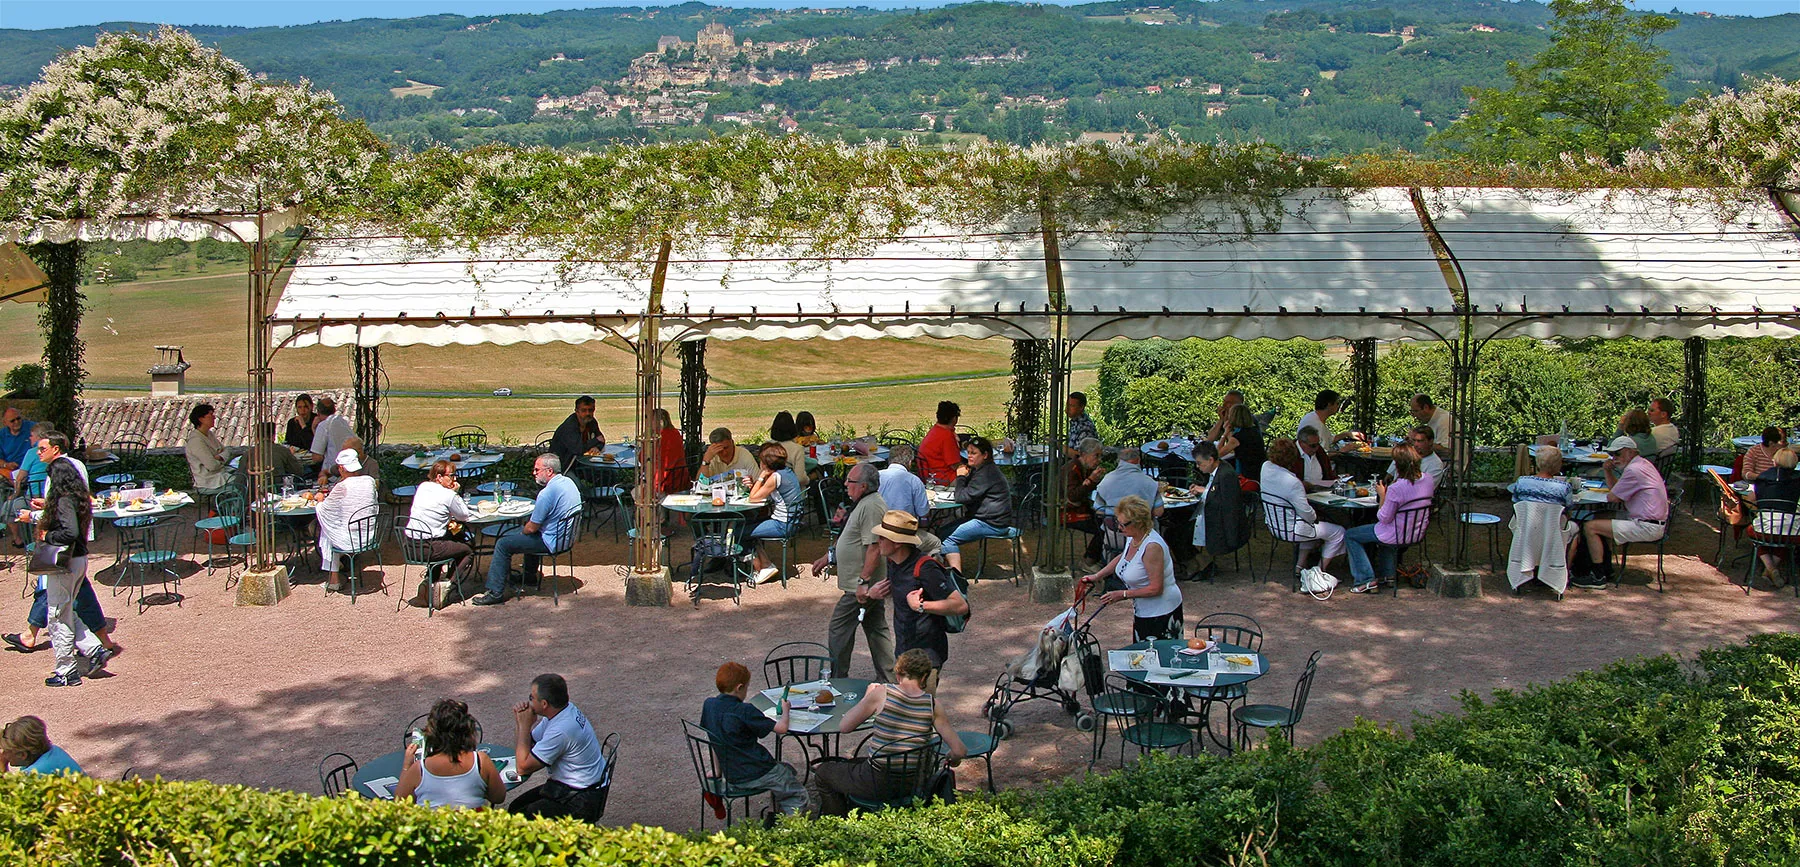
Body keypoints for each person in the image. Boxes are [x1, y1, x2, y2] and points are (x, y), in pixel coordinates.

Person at [811, 648, 965, 817]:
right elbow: (959, 751)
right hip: (913, 782)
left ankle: (839, 821)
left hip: (877, 781)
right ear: (924, 677)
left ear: (898, 674)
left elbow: (845, 726)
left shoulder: (883, 693)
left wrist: (867, 697)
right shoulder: (933, 705)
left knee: (823, 773)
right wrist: (952, 759)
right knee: (853, 764)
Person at [813, 462, 899, 681]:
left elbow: (874, 547)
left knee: (838, 629)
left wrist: (863, 582)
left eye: (850, 481)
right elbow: (850, 540)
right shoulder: (864, 503)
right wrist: (828, 557)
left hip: (860, 586)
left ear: (862, 486)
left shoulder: (871, 506)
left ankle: (837, 679)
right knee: (876, 628)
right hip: (864, 584)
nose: (845, 484)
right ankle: (890, 678)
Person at [701, 662, 810, 818]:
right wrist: (786, 710)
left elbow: (713, 739)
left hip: (731, 773)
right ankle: (791, 829)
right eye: (746, 687)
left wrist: (718, 770)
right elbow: (781, 729)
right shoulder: (745, 710)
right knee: (797, 795)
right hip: (756, 770)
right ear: (739, 688)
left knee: (788, 770)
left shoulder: (709, 705)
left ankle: (775, 812)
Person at [473, 454, 582, 606]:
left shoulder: (547, 493)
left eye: (537, 469)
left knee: (504, 544)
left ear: (549, 471)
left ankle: (495, 591)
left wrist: (520, 533)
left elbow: (531, 528)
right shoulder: (568, 482)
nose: (534, 473)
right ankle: (529, 576)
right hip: (566, 538)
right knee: (528, 534)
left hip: (551, 541)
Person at [872, 510, 968, 678]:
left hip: (927, 657)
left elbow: (960, 605)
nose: (877, 541)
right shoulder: (893, 562)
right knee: (905, 703)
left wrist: (921, 606)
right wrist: (873, 593)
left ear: (897, 543)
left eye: (882, 537)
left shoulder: (925, 568)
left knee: (920, 704)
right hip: (904, 651)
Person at [34, 451, 100, 687]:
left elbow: (69, 532)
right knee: (65, 611)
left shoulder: (63, 500)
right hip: (79, 559)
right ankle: (93, 649)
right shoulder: (78, 497)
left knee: (57, 616)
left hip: (65, 562)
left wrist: (48, 534)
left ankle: (66, 670)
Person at [1078, 494, 1183, 640]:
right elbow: (1124, 557)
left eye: (1123, 524)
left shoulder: (1152, 547)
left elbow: (1156, 588)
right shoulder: (1134, 537)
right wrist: (1097, 576)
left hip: (1161, 612)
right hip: (1143, 610)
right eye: (1118, 522)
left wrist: (1123, 594)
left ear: (1139, 523)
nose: (1119, 528)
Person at [1573, 436, 1668, 589]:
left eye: (1618, 454)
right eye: (1612, 455)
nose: (1614, 458)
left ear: (1630, 452)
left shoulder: (1633, 470)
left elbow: (1613, 497)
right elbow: (1616, 491)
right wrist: (1607, 470)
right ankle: (1605, 566)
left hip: (1647, 526)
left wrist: (1608, 472)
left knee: (1590, 526)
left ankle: (1598, 576)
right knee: (1601, 516)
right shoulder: (1642, 464)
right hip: (1649, 520)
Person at [510, 673, 607, 819]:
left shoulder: (561, 730)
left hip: (581, 798)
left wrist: (524, 725)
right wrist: (521, 722)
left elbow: (523, 767)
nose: (528, 701)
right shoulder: (562, 712)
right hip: (576, 785)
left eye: (531, 698)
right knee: (514, 808)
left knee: (518, 818)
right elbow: (530, 743)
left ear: (544, 704)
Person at [1343, 446, 1436, 593]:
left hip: (1395, 533)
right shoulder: (1428, 480)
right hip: (1415, 531)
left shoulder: (1396, 487)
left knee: (1351, 535)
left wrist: (1383, 495)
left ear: (1398, 466)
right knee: (1385, 531)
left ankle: (1365, 579)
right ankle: (1389, 574)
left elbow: (1383, 517)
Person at [394, 698, 507, 810]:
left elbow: (399, 804)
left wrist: (406, 766)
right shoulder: (481, 761)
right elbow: (498, 797)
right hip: (474, 826)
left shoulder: (419, 769)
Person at [1261, 438, 1346, 575]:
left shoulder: (1265, 468)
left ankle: (1300, 566)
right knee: (1339, 532)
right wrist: (1316, 515)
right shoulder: (1293, 482)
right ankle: (1319, 571)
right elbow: (1307, 514)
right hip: (1293, 529)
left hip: (1273, 524)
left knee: (1311, 526)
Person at [404, 459, 477, 600]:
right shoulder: (448, 495)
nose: (454, 479)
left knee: (448, 539)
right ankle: (446, 585)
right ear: (439, 477)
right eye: (451, 476)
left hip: (410, 545)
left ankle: (429, 581)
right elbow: (464, 515)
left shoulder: (423, 487)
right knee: (467, 550)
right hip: (429, 548)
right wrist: (455, 493)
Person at [940, 435, 1014, 574]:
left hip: (993, 523)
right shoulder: (981, 469)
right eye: (968, 452)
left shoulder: (986, 474)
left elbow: (961, 497)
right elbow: (966, 493)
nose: (969, 456)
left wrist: (961, 477)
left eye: (973, 453)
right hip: (984, 517)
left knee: (947, 538)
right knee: (941, 532)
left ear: (985, 455)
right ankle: (943, 569)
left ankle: (957, 577)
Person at [314, 447, 380, 594]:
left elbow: (326, 510)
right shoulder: (369, 481)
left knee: (327, 531)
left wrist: (319, 500)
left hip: (351, 539)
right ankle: (340, 567)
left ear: (342, 468)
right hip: (368, 534)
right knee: (335, 526)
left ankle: (334, 579)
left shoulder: (342, 486)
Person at [1183, 440, 1246, 582]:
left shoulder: (1226, 474)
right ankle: (1201, 564)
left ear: (1211, 460)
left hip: (1220, 523)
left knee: (1178, 534)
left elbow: (1227, 504)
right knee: (1176, 530)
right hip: (1210, 515)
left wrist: (1204, 492)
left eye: (1199, 463)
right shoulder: (1218, 470)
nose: (1198, 467)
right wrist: (1203, 490)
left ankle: (1203, 565)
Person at [745, 442, 805, 585]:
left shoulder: (775, 477)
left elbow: (753, 498)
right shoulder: (787, 472)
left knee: (739, 532)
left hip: (782, 524)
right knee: (748, 525)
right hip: (791, 521)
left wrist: (761, 477)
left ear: (765, 464)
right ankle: (765, 563)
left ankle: (761, 567)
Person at [1744, 447, 1800, 587]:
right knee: (1785, 537)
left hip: (1765, 526)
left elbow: (1751, 500)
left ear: (1775, 461)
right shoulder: (1798, 480)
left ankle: (1770, 568)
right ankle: (1770, 569)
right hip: (1791, 529)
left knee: (1755, 533)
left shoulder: (1762, 477)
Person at [1064, 437, 1108, 566]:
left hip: (1082, 508)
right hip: (1066, 511)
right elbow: (1072, 497)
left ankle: (1099, 558)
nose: (1098, 460)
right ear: (1084, 454)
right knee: (1104, 527)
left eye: (1100, 456)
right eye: (1096, 456)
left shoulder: (1085, 467)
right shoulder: (1072, 469)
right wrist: (1091, 480)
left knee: (1109, 521)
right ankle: (1089, 561)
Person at [7, 423, 51, 547]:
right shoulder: (53, 453)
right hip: (48, 493)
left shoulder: (33, 452)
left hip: (34, 496)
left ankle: (21, 540)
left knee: (8, 508)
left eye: (31, 436)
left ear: (38, 437)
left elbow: (20, 477)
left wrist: (15, 494)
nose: (29, 439)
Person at [1094, 447, 1164, 517]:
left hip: (1113, 526)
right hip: (1141, 526)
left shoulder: (1106, 480)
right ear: (1138, 461)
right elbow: (1158, 512)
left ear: (1119, 461)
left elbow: (1099, 511)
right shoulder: (1150, 483)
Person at [0, 716, 82, 775]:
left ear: (23, 755)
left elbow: (10, 796)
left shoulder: (34, 774)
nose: (3, 754)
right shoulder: (54, 750)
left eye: (5, 750)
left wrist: (2, 768)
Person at [1216, 402, 1266, 489]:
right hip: (1258, 475)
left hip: (1246, 479)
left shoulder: (1239, 436)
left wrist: (1225, 433)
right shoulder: (1254, 431)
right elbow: (1232, 445)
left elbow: (1217, 454)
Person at [549, 396, 606, 472]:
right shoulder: (569, 426)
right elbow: (578, 449)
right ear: (577, 411)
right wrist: (595, 441)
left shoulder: (591, 422)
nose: (588, 413)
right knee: (577, 483)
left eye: (591, 410)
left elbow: (601, 439)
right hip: (563, 465)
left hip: (582, 462)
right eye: (584, 410)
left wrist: (597, 447)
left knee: (609, 474)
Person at [184, 403, 231, 492]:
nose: (214, 418)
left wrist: (219, 457)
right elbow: (212, 466)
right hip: (209, 482)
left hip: (221, 474)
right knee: (242, 485)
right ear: (201, 419)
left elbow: (227, 451)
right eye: (210, 415)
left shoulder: (209, 434)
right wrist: (221, 459)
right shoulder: (196, 441)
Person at [309, 395, 355, 486]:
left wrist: (313, 429)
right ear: (334, 410)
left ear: (318, 412)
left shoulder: (324, 425)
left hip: (332, 475)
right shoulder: (343, 422)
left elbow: (317, 457)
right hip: (350, 471)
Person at [876, 444, 929, 520]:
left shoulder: (876, 475)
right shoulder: (914, 480)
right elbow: (923, 513)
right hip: (903, 527)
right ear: (910, 462)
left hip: (877, 524)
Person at [917, 401, 962, 485]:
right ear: (954, 419)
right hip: (943, 478)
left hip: (928, 475)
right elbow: (955, 465)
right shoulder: (946, 436)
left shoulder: (936, 430)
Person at [652, 407, 690, 495]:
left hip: (666, 481)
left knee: (636, 492)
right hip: (681, 478)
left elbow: (643, 458)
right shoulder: (675, 433)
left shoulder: (660, 438)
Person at [768, 411, 810, 489]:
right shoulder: (797, 449)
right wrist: (809, 479)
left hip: (771, 490)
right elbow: (800, 478)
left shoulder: (767, 446)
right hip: (794, 493)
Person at [1409, 394, 1454, 459]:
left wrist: (1418, 441)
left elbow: (1447, 451)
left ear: (1426, 407)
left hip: (1450, 467)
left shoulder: (1443, 421)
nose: (1414, 415)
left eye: (1416, 411)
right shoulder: (1434, 420)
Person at [1297, 426, 1336, 491]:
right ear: (1301, 443)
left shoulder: (1319, 451)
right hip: (1300, 493)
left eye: (1318, 444)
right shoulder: (1291, 453)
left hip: (1321, 492)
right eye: (1313, 446)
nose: (1316, 448)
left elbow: (1328, 474)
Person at [0, 407, 35, 478]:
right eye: (12, 421)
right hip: (11, 471)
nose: (16, 422)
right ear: (5, 423)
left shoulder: (33, 427)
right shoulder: (2, 435)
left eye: (18, 418)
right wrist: (6, 465)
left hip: (32, 469)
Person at [1064, 392, 1098, 458]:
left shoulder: (1085, 427)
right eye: (1067, 405)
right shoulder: (1075, 422)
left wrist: (1062, 448)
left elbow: (1082, 456)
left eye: (1072, 406)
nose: (1067, 408)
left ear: (1081, 407)